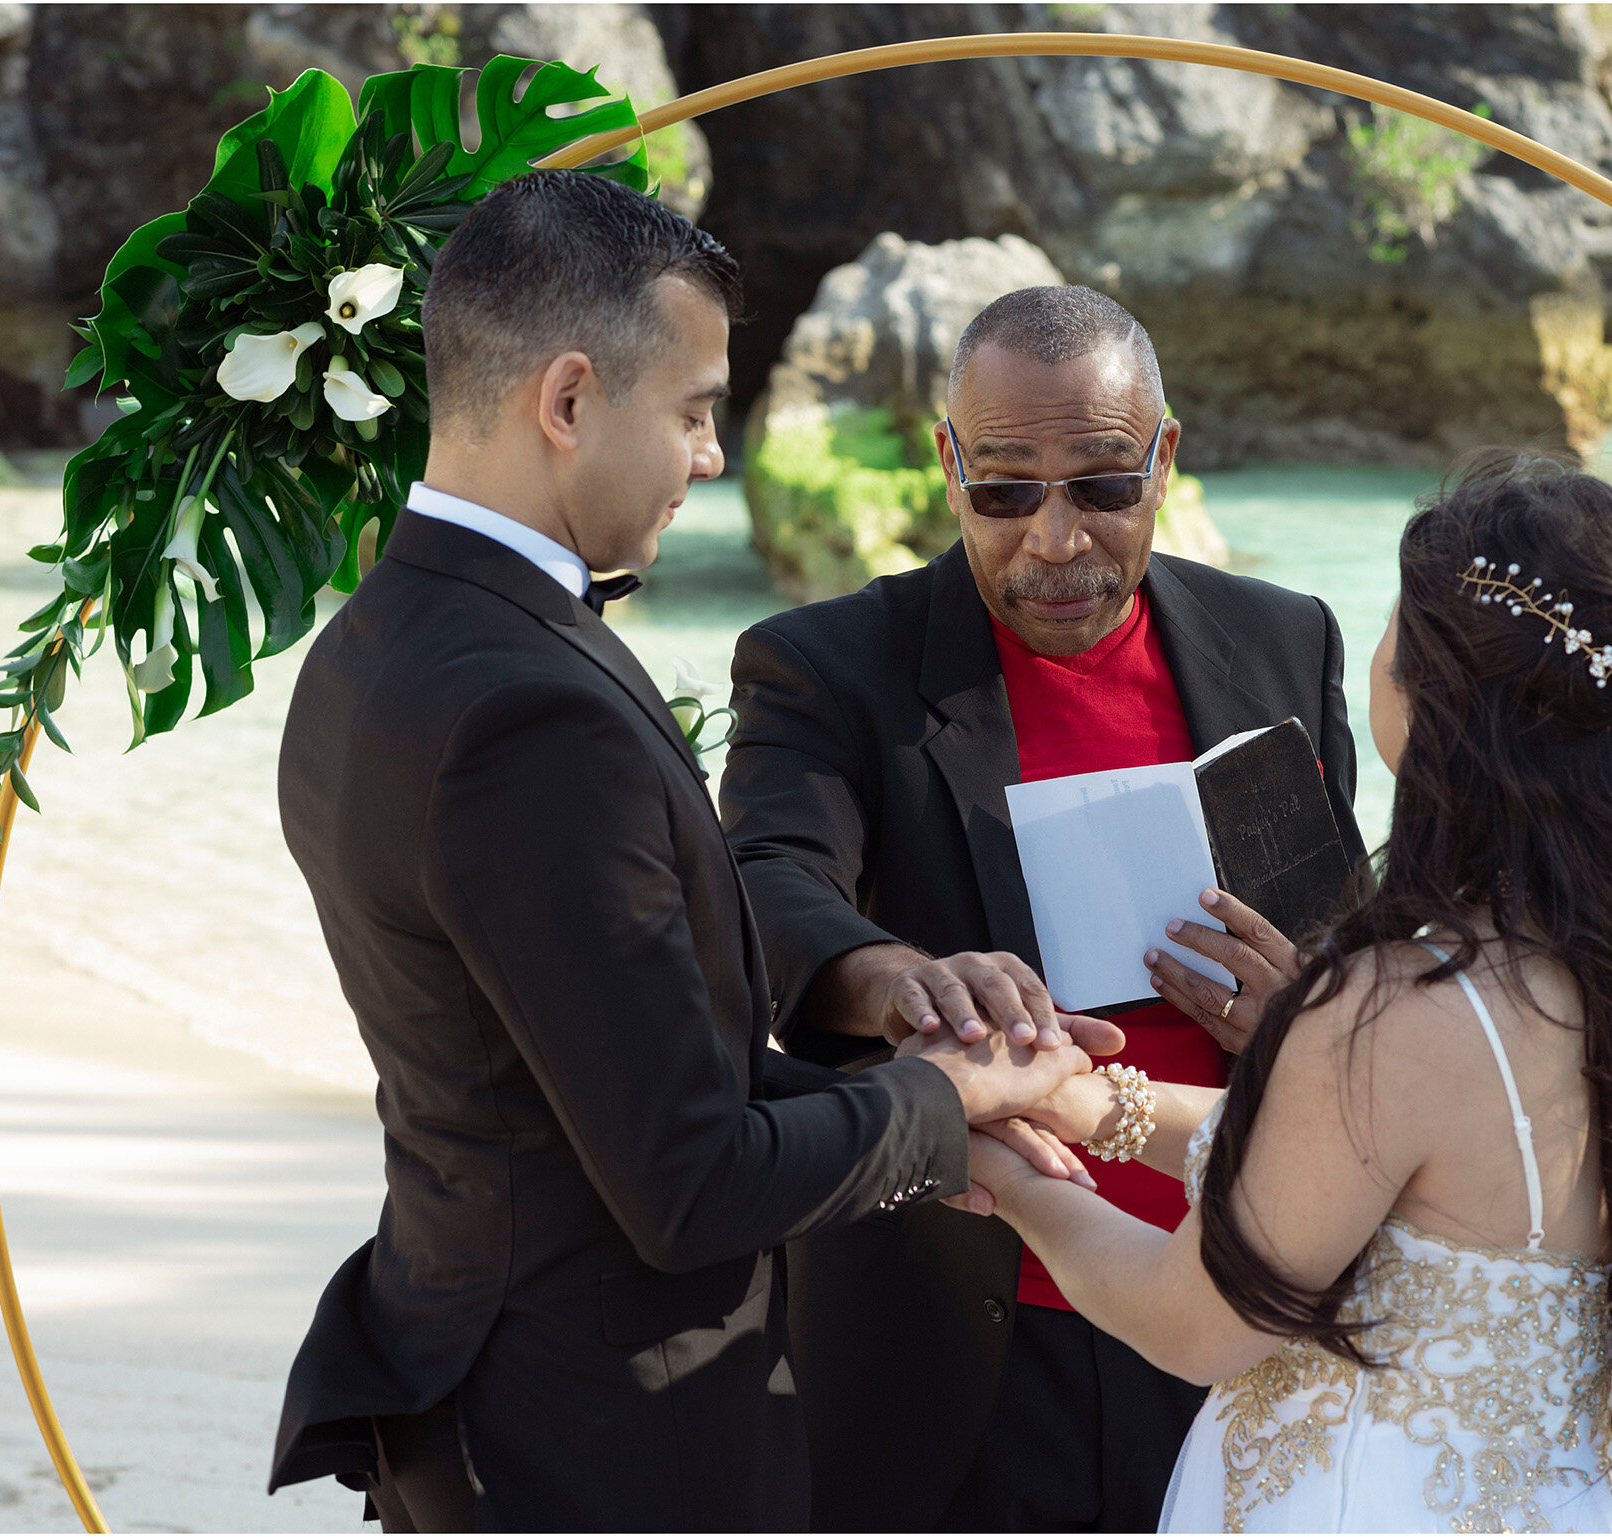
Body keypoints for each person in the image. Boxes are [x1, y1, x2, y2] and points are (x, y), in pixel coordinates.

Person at [264, 171, 1115, 1533]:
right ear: (567, 400)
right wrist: (944, 1102)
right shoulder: (531, 715)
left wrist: (920, 1106)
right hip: (592, 1440)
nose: (713, 457)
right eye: (696, 409)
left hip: (468, 1375)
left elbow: (601, 1073)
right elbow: (687, 1182)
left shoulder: (368, 646)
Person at [964, 450, 1612, 1532]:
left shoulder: (1397, 1003)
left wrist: (1006, 1175)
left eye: (1396, 628)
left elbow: (1197, 1323)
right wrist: (1081, 1105)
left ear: (1444, 699)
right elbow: (1392, 1176)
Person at [720, 285, 1370, 1530]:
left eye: (1102, 486)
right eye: (1006, 490)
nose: (1055, 540)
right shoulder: (827, 665)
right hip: (971, 1318)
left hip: (1240, 1296)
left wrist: (1307, 1012)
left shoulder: (1284, 637)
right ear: (947, 463)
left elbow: (1352, 937)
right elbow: (759, 881)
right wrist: (902, 974)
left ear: (1164, 460)